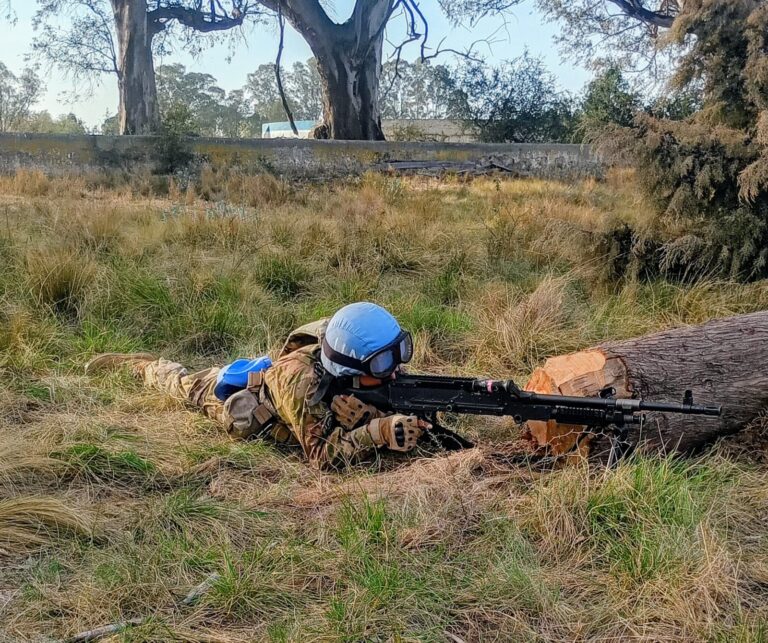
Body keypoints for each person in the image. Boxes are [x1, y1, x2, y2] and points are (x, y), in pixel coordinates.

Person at [86, 302, 431, 470]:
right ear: (349, 365)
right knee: (187, 385)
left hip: (283, 380)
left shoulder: (358, 358)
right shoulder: (301, 383)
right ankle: (143, 366)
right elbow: (320, 457)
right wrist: (376, 432)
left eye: (400, 352)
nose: (395, 370)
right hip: (250, 406)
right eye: (382, 364)